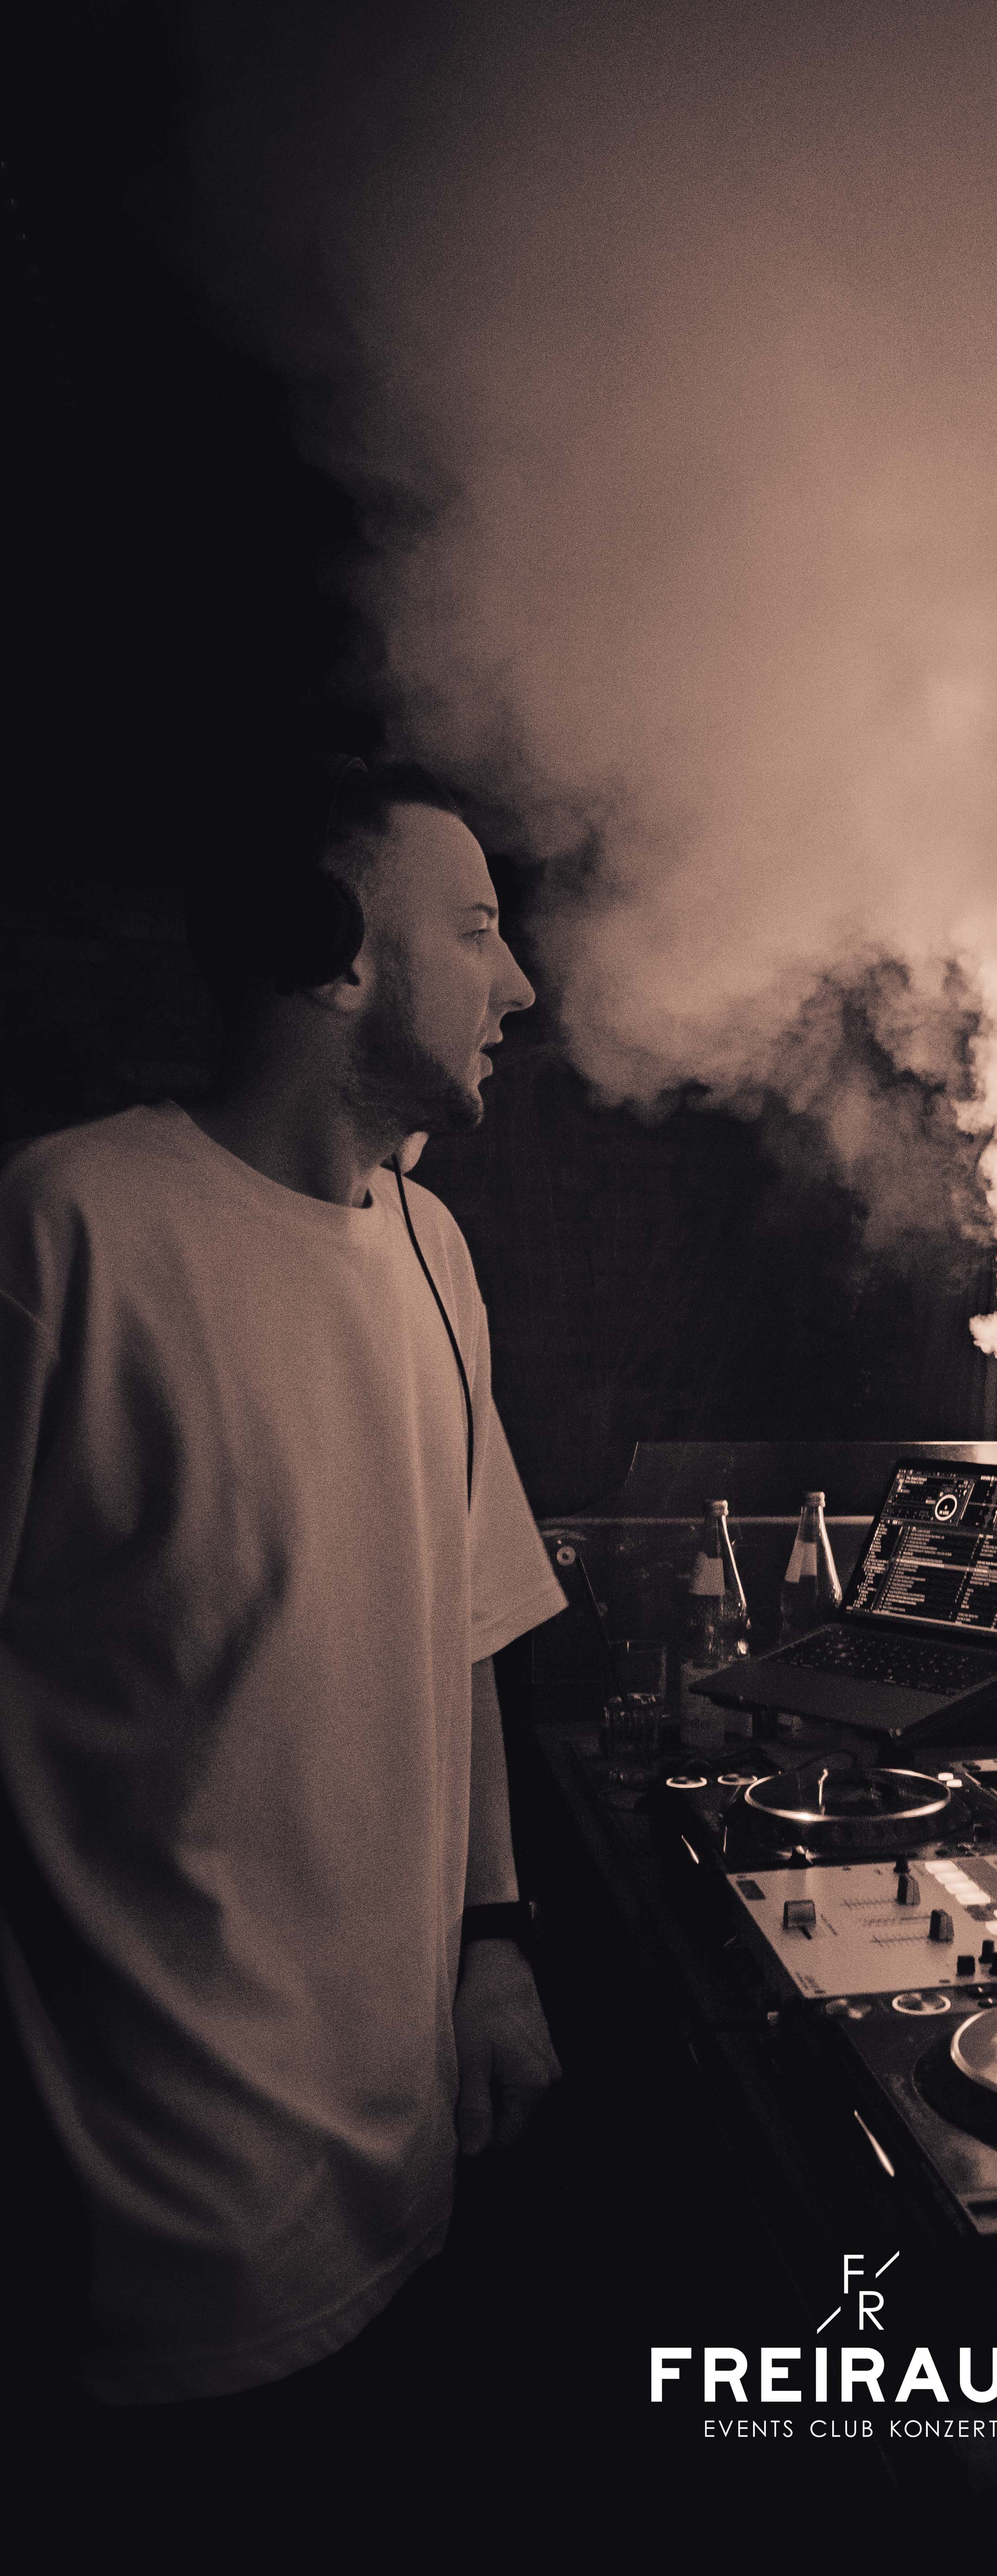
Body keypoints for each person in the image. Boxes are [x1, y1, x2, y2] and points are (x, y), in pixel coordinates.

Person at [0, 758, 569, 2519]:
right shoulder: (65, 1230)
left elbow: (469, 1619)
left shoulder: (436, 1247)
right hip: (159, 2215)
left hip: (410, 2157)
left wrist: (493, 1934)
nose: (520, 985)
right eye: (476, 931)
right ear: (337, 953)